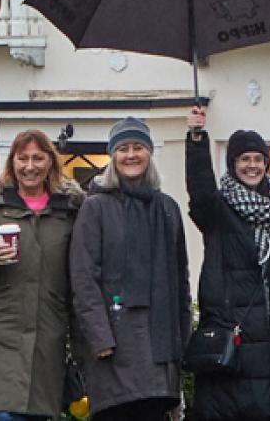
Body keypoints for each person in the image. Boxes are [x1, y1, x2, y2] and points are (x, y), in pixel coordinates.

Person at [184, 107, 270, 421]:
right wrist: (197, 140)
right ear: (233, 164)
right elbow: (199, 192)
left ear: (266, 163)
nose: (252, 166)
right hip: (229, 344)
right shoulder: (218, 212)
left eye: (258, 159)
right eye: (244, 159)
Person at [0, 128, 85, 421]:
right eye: (23, 158)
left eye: (38, 158)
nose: (30, 166)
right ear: (12, 162)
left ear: (51, 162)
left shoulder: (68, 212)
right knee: (5, 416)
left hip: (47, 339)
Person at [70, 117, 189, 421]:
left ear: (149, 154)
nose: (131, 155)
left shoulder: (167, 208)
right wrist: (100, 338)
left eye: (138, 147)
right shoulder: (95, 207)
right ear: (113, 156)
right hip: (113, 349)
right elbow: (84, 278)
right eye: (123, 148)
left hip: (159, 351)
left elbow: (180, 280)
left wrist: (182, 338)